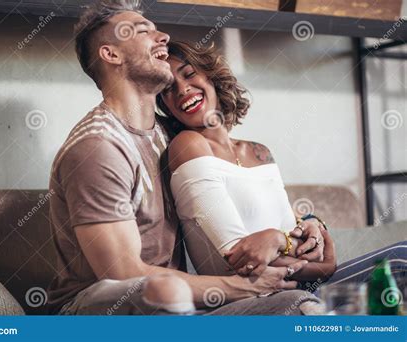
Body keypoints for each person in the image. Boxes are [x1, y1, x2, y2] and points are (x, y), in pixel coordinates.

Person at [46, 0, 321, 316]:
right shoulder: (98, 147)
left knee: (300, 302)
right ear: (111, 54)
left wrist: (308, 224)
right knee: (166, 290)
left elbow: (243, 185)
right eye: (143, 31)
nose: (162, 36)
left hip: (184, 303)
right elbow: (122, 274)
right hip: (97, 311)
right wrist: (247, 288)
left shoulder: (169, 134)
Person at [156, 40, 406, 291]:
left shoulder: (258, 152)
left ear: (211, 78)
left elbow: (290, 227)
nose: (182, 90)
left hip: (304, 283)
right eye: (167, 88)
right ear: (163, 104)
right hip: (260, 295)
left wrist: (312, 227)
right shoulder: (188, 145)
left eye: (189, 74)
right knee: (400, 260)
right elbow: (238, 257)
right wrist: (324, 266)